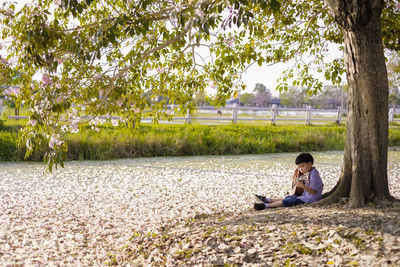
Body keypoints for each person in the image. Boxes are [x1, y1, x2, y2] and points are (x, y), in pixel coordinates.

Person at [253, 152, 323, 210]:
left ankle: (266, 206)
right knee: (290, 197)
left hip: (310, 199)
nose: (301, 169)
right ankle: (267, 200)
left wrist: (302, 186)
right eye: (299, 167)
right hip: (305, 197)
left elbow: (314, 192)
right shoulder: (309, 172)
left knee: (289, 201)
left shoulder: (314, 175)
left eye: (302, 166)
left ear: (310, 164)